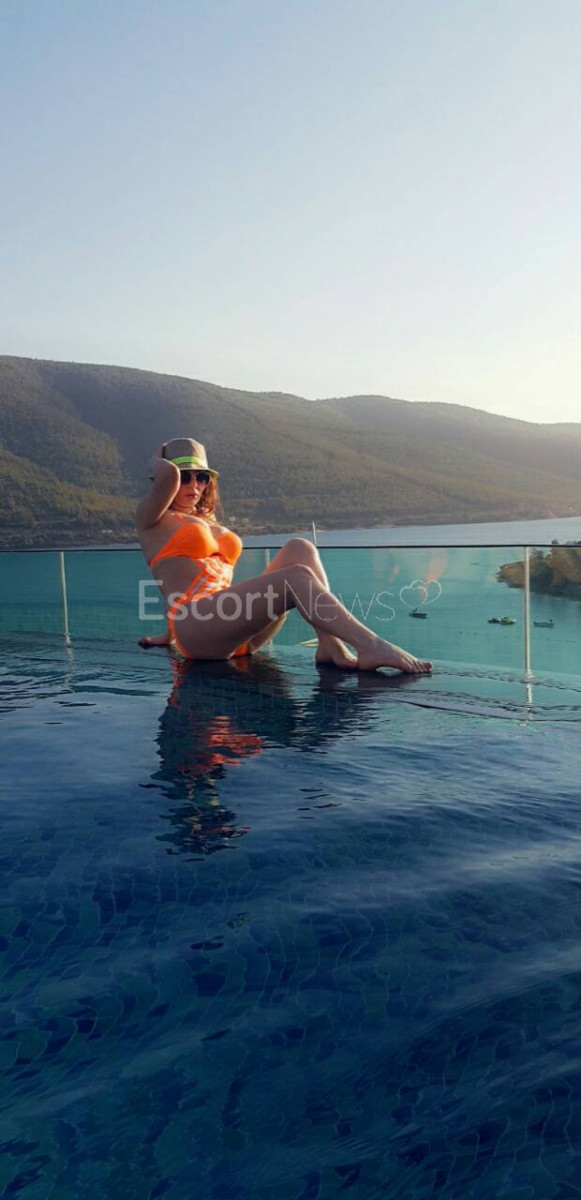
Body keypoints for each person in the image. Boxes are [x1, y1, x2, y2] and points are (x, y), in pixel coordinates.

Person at [136, 437, 432, 673]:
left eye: (201, 477)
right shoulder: (153, 521)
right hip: (197, 630)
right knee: (295, 577)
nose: (194, 485)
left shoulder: (206, 520)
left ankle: (329, 644)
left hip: (235, 630)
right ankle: (371, 646)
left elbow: (182, 574)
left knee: (300, 548)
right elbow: (176, 585)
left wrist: (166, 634)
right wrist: (154, 460)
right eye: (185, 476)